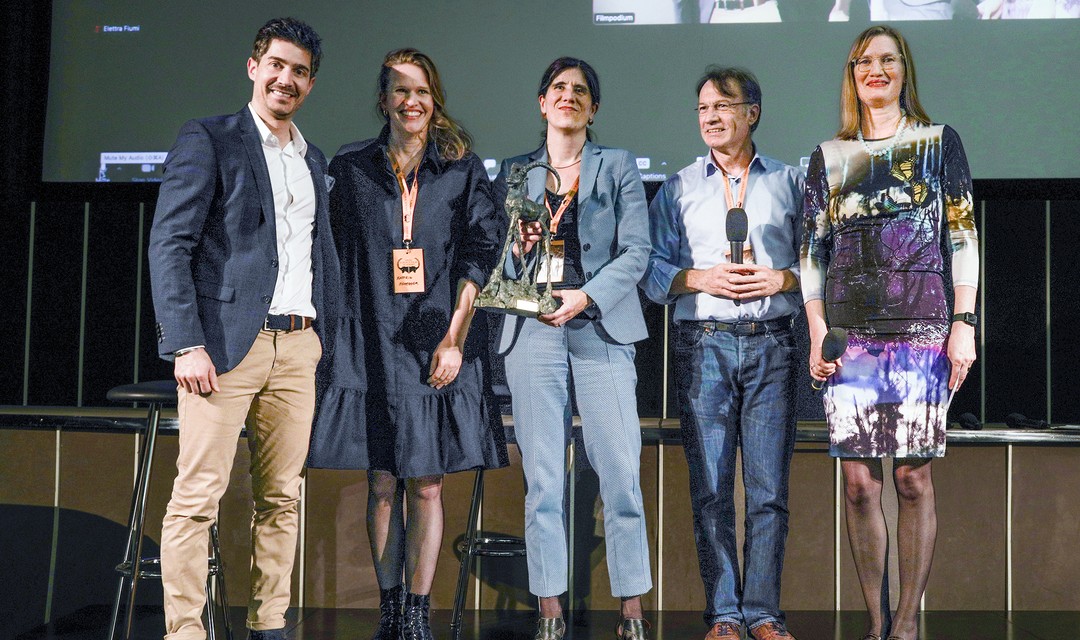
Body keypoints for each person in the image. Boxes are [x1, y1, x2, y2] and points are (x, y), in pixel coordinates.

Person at [306, 48, 507, 640]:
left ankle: (418, 613)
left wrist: (455, 339)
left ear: (434, 99)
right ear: (384, 100)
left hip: (435, 339)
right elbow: (326, 256)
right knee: (381, 480)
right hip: (371, 340)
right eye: (400, 90)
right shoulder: (351, 168)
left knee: (427, 481)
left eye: (421, 91)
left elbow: (480, 256)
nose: (411, 101)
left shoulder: (462, 170)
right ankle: (390, 609)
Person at [148, 17, 336, 640]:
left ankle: (269, 625)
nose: (287, 79)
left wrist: (322, 341)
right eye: (277, 65)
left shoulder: (312, 158)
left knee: (282, 498)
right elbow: (170, 244)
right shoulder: (210, 139)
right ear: (254, 68)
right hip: (224, 348)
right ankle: (185, 631)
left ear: (310, 84)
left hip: (298, 345)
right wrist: (186, 343)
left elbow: (318, 256)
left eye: (300, 71)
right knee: (197, 498)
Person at [801, 25, 979, 640]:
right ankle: (876, 626)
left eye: (887, 60)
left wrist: (964, 324)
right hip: (849, 332)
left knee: (911, 477)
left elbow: (963, 236)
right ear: (852, 75)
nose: (875, 70)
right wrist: (817, 330)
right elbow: (811, 254)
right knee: (858, 484)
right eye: (863, 62)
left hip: (922, 327)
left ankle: (905, 626)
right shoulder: (829, 155)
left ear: (904, 70)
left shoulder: (938, 142)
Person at [641, 67, 804, 640]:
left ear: (752, 113)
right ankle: (725, 615)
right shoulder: (679, 186)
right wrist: (699, 277)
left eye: (723, 106)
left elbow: (819, 262)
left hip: (773, 343)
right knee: (710, 490)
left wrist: (782, 278)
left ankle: (763, 613)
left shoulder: (790, 181)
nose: (711, 117)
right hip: (703, 344)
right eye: (703, 108)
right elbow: (650, 267)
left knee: (767, 492)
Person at [493, 57, 652, 640]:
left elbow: (637, 252)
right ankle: (550, 609)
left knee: (620, 473)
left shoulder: (618, 166)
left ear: (593, 107)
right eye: (558, 88)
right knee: (543, 480)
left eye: (580, 90)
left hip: (600, 325)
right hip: (533, 330)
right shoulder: (516, 172)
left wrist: (586, 295)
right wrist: (518, 260)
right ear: (542, 103)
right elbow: (502, 258)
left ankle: (631, 610)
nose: (568, 96)